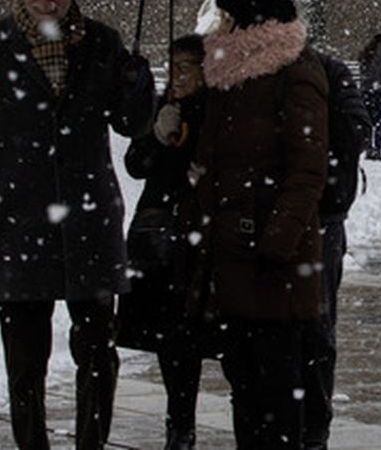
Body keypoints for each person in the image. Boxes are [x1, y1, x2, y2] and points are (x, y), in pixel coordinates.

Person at [0, 0, 153, 450]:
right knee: (24, 363)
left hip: (90, 223)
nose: (44, 0)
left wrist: (137, 82)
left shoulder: (103, 44)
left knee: (98, 356)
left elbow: (132, 125)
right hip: (18, 224)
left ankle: (91, 445)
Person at [184, 0, 328, 449]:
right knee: (243, 385)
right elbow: (212, 159)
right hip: (231, 257)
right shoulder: (227, 76)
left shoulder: (293, 72)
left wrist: (276, 242)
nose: (217, 26)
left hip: (275, 266)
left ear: (246, 19)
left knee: (277, 392)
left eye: (224, 16)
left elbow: (307, 170)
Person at [117, 34, 208, 450]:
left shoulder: (214, 110)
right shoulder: (163, 107)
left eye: (187, 67)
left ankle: (182, 422)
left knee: (188, 334)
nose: (179, 76)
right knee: (168, 336)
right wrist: (156, 133)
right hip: (156, 233)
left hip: (197, 233)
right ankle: (179, 423)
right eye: (173, 67)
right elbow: (136, 165)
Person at [303, 46, 372, 450]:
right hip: (276, 218)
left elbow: (356, 131)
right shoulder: (251, 71)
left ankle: (314, 429)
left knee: (316, 327)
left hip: (322, 220)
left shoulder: (327, 71)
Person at [357, 33, 381, 160]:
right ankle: (377, 150)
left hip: (366, 91)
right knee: (380, 123)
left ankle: (368, 149)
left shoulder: (365, 52)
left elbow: (363, 69)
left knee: (368, 122)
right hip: (380, 92)